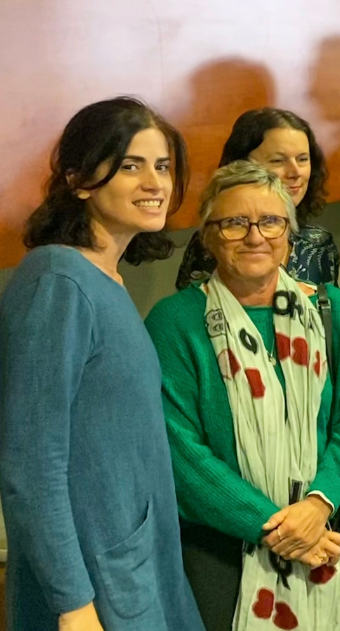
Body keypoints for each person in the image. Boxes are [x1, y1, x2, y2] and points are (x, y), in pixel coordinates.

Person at [145, 161, 340, 631]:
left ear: (289, 234)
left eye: (271, 221)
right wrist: (279, 528)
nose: (255, 236)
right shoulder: (174, 322)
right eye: (235, 222)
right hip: (219, 552)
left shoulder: (330, 308)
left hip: (321, 529)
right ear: (208, 236)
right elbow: (179, 451)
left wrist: (318, 504)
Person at [0, 97, 203, 631]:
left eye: (162, 166)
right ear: (79, 179)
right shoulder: (57, 280)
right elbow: (31, 464)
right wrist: (72, 603)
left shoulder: (105, 279)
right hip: (93, 587)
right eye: (131, 166)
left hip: (137, 569)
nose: (155, 183)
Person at [176, 108, 339, 289]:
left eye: (302, 159)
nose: (296, 172)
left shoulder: (318, 243)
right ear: (242, 166)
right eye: (277, 161)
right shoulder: (218, 241)